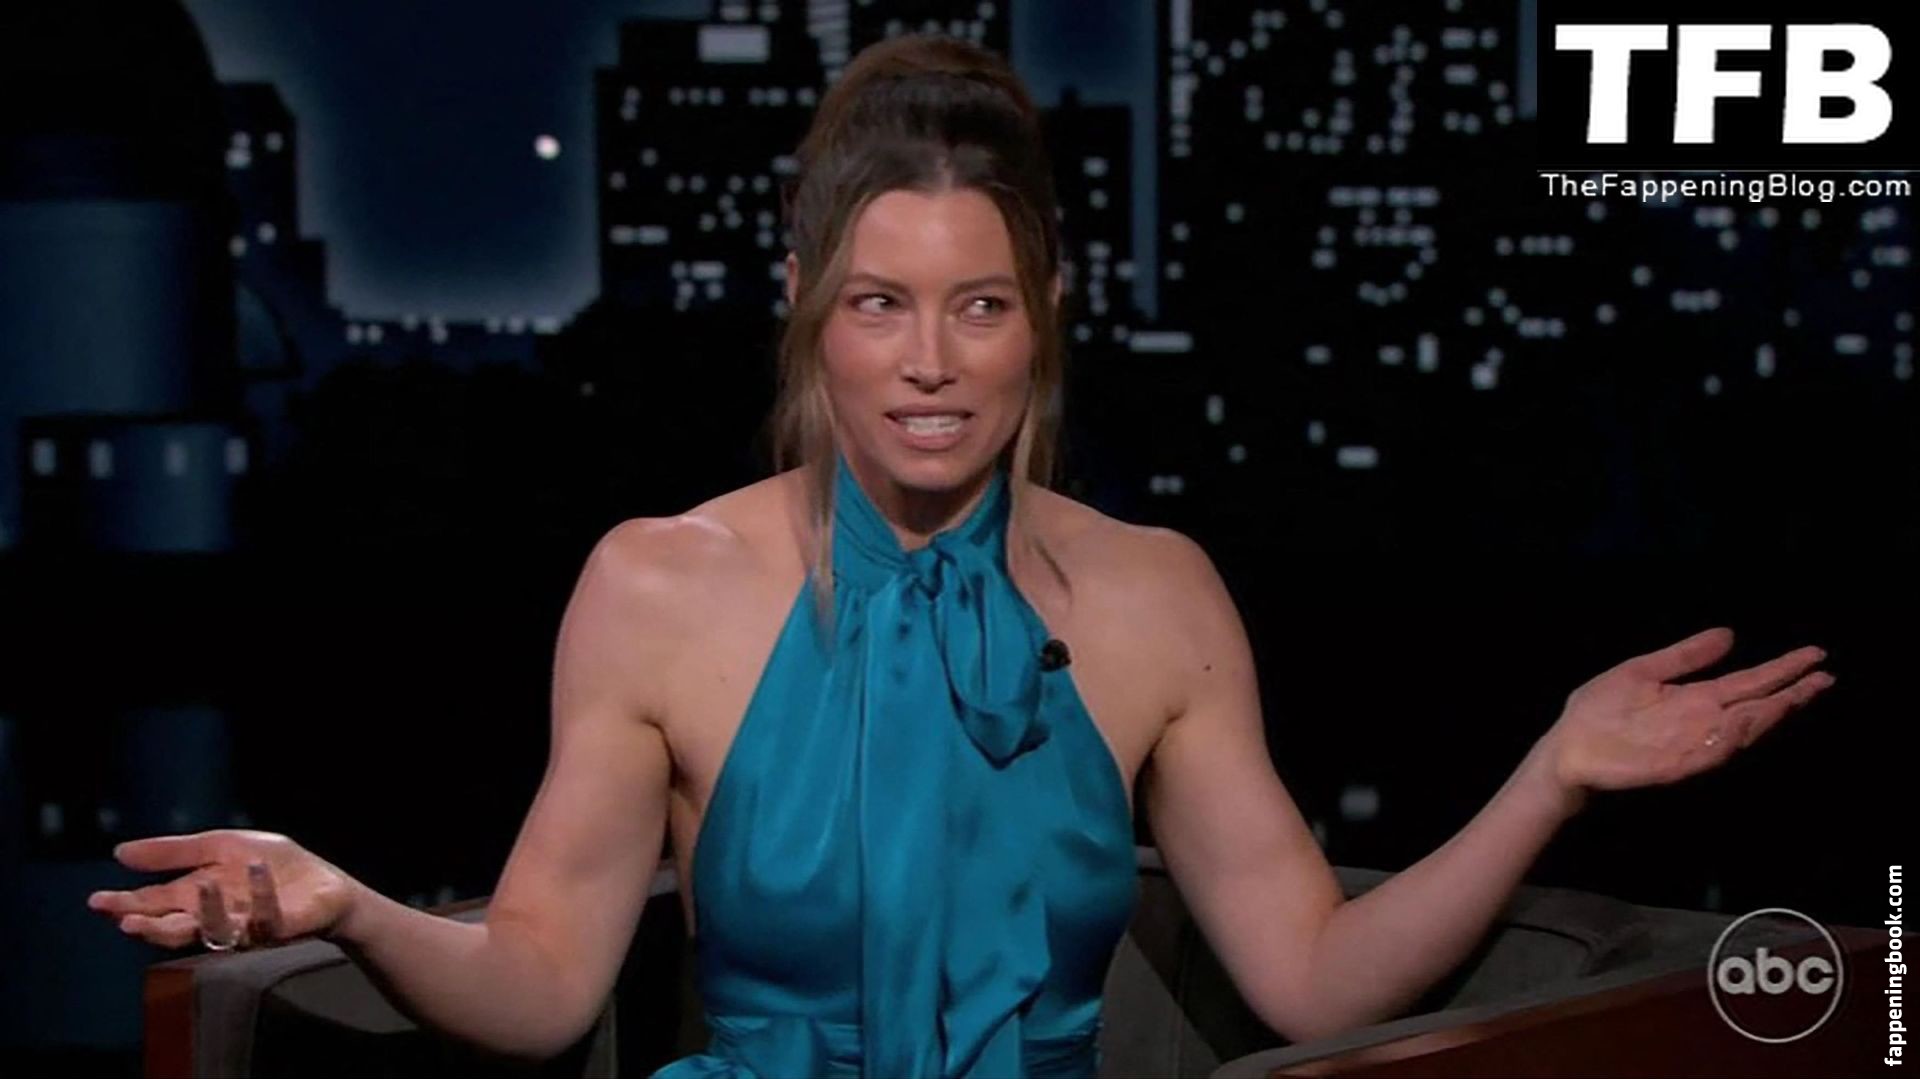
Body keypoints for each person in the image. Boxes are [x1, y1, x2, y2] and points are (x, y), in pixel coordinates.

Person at [85, 32, 1835, 1079]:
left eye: (979, 307)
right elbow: (542, 988)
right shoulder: (656, 586)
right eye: (880, 305)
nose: (930, 364)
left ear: (1044, 313)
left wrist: (1550, 772)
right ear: (808, 307)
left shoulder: (1156, 594)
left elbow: (1311, 975)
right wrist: (346, 899)